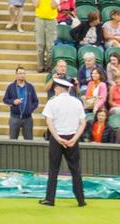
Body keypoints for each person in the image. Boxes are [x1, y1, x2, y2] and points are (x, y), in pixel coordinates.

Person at [40, 76, 87, 207]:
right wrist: (74, 139)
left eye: (56, 88)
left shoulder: (52, 102)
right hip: (72, 138)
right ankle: (81, 200)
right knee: (75, 170)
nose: (54, 90)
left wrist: (57, 137)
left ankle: (50, 199)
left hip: (57, 139)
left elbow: (49, 121)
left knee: (53, 169)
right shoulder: (77, 102)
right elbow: (83, 123)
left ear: (59, 88)